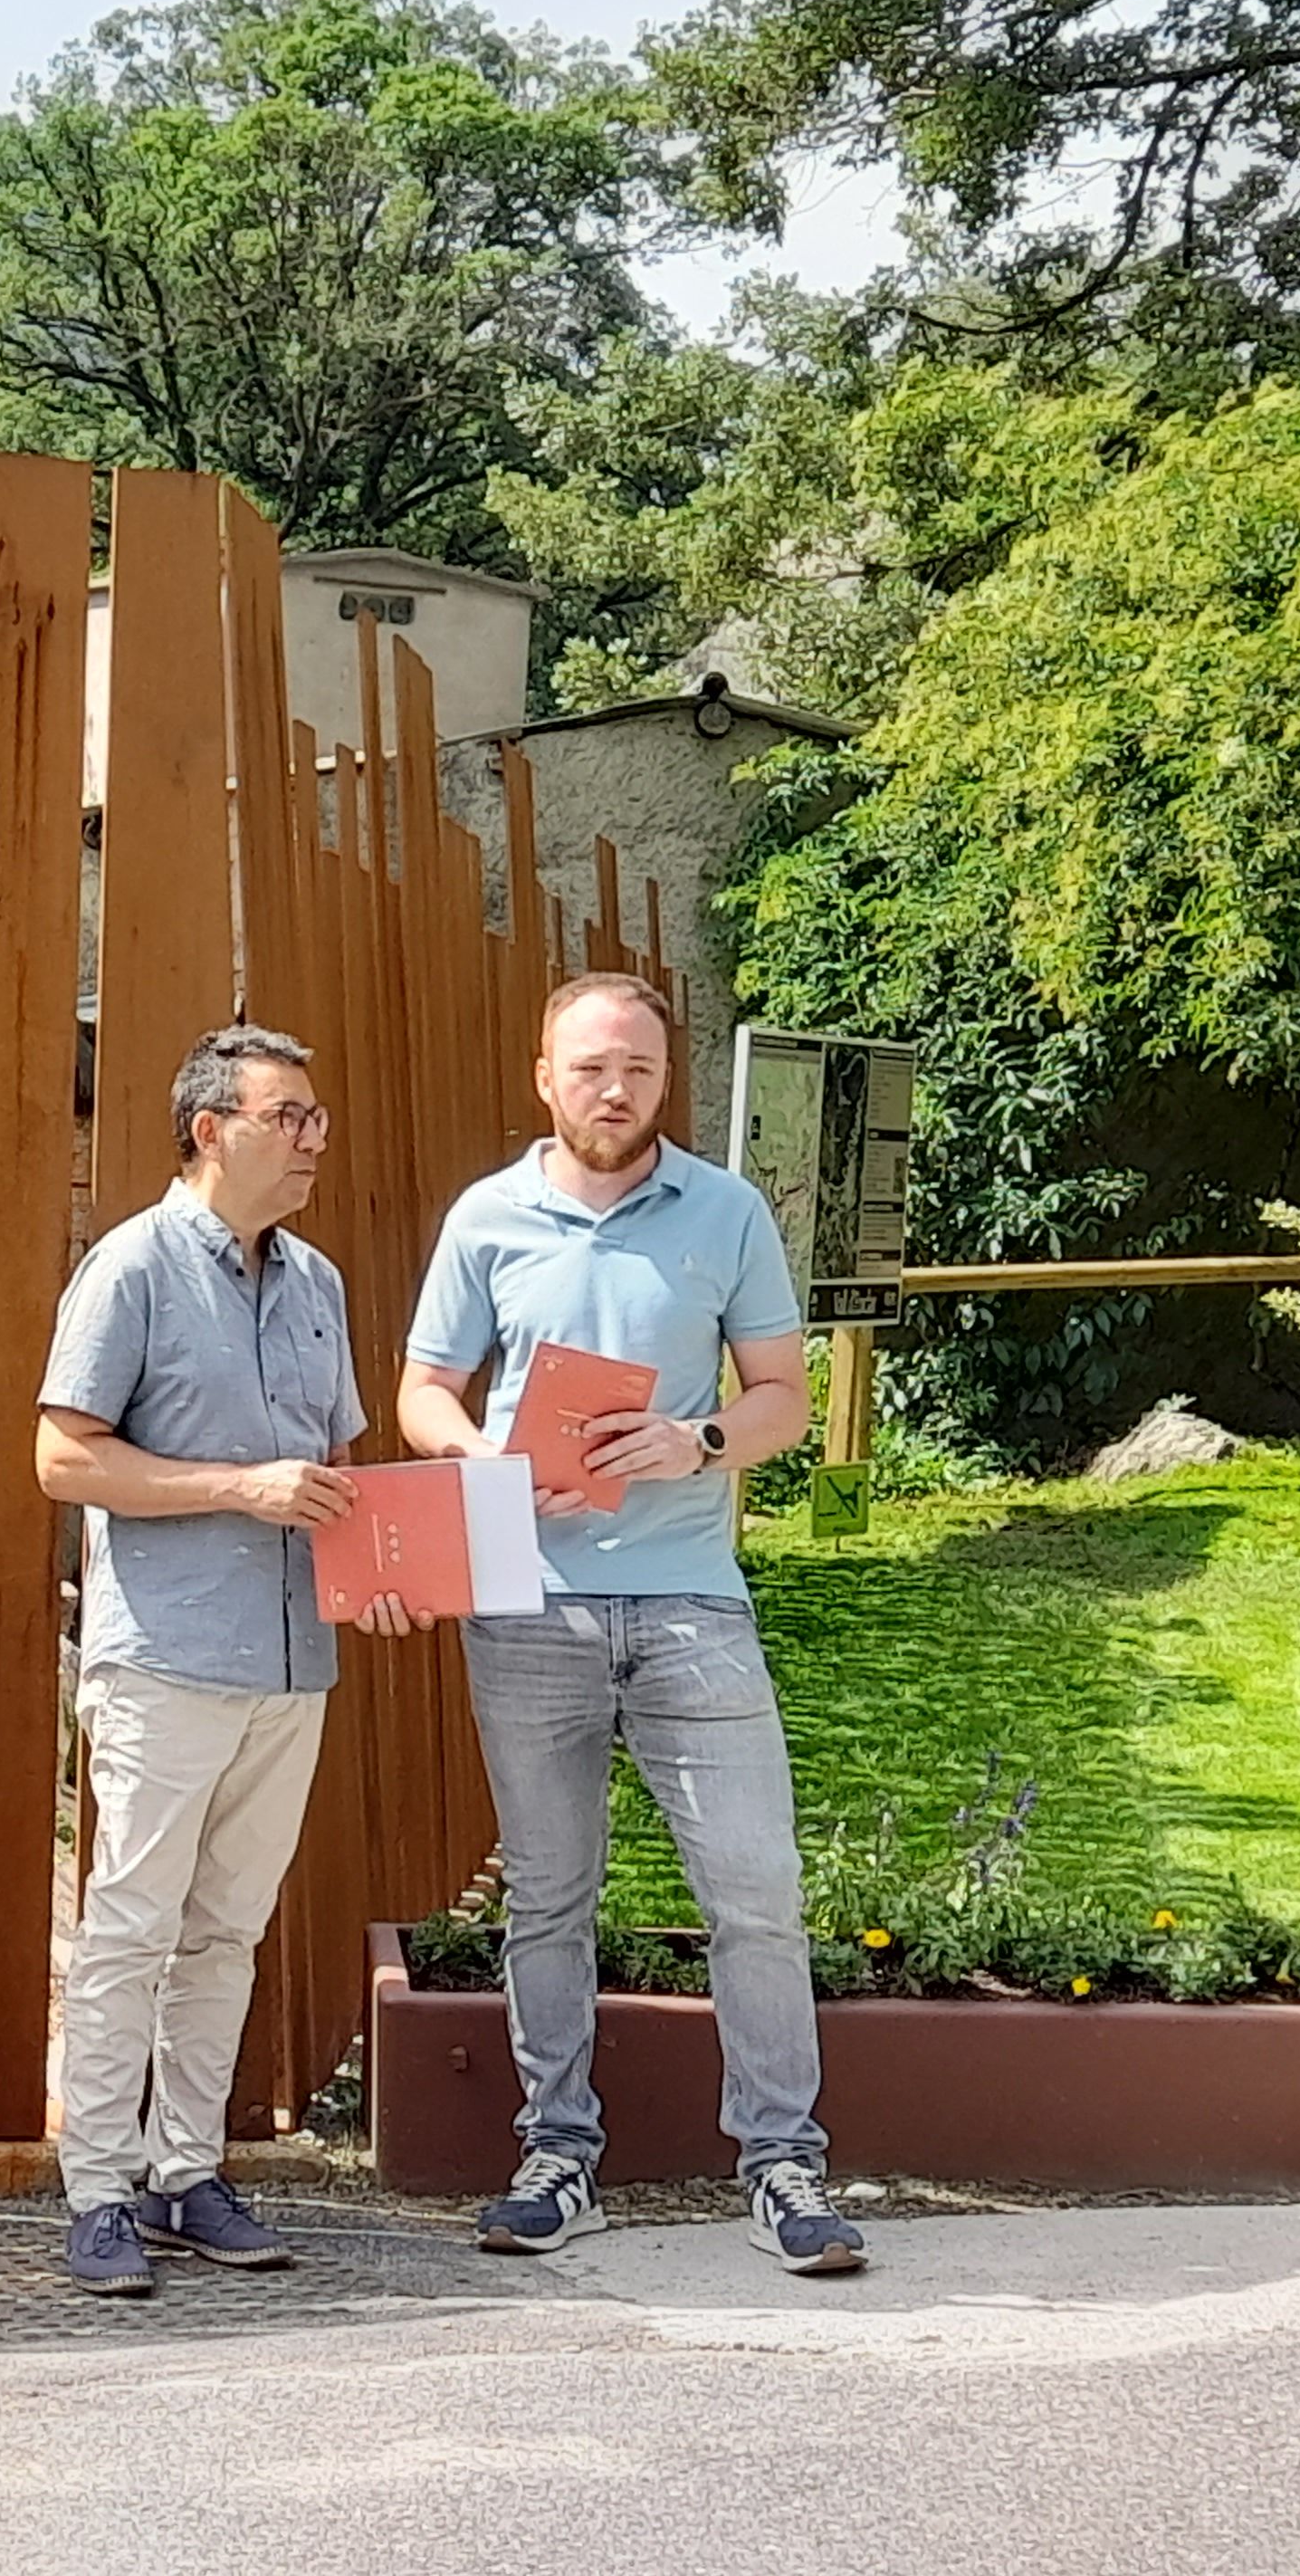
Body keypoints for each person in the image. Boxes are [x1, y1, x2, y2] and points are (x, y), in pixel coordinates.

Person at [397, 972, 865, 2276]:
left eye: (641, 1070)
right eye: (592, 1068)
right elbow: (425, 1388)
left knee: (756, 1890)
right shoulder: (489, 1217)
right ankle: (557, 2155)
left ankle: (783, 2166)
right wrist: (474, 1461)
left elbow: (778, 1395)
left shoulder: (725, 1211)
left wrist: (693, 1439)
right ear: (547, 1078)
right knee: (549, 1895)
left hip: (691, 1603)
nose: (616, 1090)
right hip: (528, 1603)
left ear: (670, 1080)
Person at [36, 1023, 424, 2298]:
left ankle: (184, 2172)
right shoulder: (130, 1270)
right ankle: (97, 2188)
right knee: (133, 1928)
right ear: (211, 1128)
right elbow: (65, 1458)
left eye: (315, 1117)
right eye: (289, 1116)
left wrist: (389, 1582)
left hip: (290, 1663)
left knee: (227, 1932)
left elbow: (342, 1481)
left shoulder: (316, 1283)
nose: (314, 1138)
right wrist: (234, 1488)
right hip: (163, 1662)